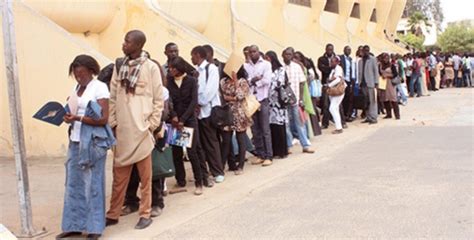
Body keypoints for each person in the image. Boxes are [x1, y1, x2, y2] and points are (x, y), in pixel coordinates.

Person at [106, 30, 163, 230]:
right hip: (122, 131)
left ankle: (145, 213)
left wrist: (152, 125)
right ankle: (113, 214)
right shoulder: (119, 66)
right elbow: (113, 97)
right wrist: (113, 123)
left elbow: (158, 99)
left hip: (142, 132)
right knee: (119, 178)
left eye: (127, 42)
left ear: (138, 45)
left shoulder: (151, 67)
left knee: (145, 179)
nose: (124, 44)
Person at [56, 55, 114, 240]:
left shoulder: (99, 87)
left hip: (94, 142)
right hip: (76, 139)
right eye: (75, 74)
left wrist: (78, 118)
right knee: (73, 183)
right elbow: (74, 110)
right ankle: (74, 224)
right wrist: (67, 116)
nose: (78, 77)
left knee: (93, 184)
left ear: (91, 70)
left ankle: (95, 228)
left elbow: (103, 119)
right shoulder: (77, 88)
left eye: (81, 73)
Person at [167, 56, 207, 195]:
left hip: (189, 120)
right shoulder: (169, 82)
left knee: (192, 151)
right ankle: (180, 180)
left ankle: (199, 181)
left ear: (180, 68)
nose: (171, 70)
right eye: (169, 68)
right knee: (176, 152)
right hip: (175, 120)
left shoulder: (191, 81)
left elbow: (193, 102)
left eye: (173, 68)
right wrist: (174, 116)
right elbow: (169, 100)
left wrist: (183, 119)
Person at [191, 46, 225, 182]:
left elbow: (210, 91)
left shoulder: (211, 69)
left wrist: (199, 102)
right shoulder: (196, 72)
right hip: (198, 112)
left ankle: (218, 171)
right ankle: (208, 170)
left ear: (198, 55)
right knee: (203, 144)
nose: (191, 58)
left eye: (192, 55)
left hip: (208, 111)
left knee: (211, 142)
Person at [243, 45, 273, 166]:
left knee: (265, 129)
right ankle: (260, 154)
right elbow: (246, 82)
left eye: (254, 51)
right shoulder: (246, 66)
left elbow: (267, 80)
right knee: (255, 130)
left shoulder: (266, 64)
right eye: (250, 52)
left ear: (258, 52)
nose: (252, 54)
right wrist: (253, 80)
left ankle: (268, 156)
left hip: (262, 99)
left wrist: (256, 81)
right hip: (251, 100)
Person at [282, 48, 315, 153]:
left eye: (289, 54)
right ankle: (288, 145)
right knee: (286, 124)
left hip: (296, 100)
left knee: (300, 123)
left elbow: (302, 83)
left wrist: (301, 98)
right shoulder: (281, 68)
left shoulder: (297, 67)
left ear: (292, 56)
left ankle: (305, 145)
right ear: (282, 55)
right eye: (286, 54)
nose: (288, 56)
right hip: (284, 101)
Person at [220, 66, 252, 175]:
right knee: (226, 140)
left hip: (239, 113)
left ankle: (241, 165)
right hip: (227, 113)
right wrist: (233, 98)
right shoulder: (223, 81)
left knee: (240, 139)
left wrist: (235, 81)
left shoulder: (242, 81)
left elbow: (240, 95)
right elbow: (222, 96)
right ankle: (223, 165)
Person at [265, 51, 289, 159]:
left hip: (278, 102)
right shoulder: (267, 69)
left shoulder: (280, 69)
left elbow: (280, 83)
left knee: (280, 126)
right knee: (272, 127)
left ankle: (282, 151)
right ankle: (274, 151)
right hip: (269, 103)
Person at [358, 45, 379, 124]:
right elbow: (359, 73)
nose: (366, 52)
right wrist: (359, 82)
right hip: (362, 84)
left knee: (372, 101)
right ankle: (368, 117)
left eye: (368, 50)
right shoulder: (360, 61)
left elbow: (376, 71)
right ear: (362, 51)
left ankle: (374, 117)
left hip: (371, 83)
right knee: (366, 101)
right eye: (365, 50)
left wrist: (376, 82)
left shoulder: (373, 59)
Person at [318, 43, 336, 129]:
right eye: (328, 49)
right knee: (325, 104)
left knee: (336, 104)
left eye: (331, 49)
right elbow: (322, 69)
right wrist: (331, 68)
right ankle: (325, 123)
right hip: (325, 84)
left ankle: (338, 121)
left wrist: (328, 68)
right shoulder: (321, 59)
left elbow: (338, 70)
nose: (330, 51)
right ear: (325, 49)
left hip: (335, 85)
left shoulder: (336, 58)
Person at [326, 56, 345, 134]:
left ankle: (339, 128)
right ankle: (339, 126)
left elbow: (338, 79)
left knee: (332, 108)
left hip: (338, 91)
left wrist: (329, 85)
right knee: (335, 109)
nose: (331, 63)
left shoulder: (338, 69)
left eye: (333, 61)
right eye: (331, 61)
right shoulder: (333, 70)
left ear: (337, 62)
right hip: (333, 92)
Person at [379, 53, 400, 120]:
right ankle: (389, 114)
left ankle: (397, 115)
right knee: (385, 99)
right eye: (384, 58)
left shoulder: (392, 65)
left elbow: (395, 74)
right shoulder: (380, 65)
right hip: (383, 83)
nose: (386, 60)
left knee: (393, 99)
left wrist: (388, 75)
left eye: (387, 58)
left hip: (390, 83)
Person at [339, 46, 356, 122]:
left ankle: (347, 115)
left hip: (349, 81)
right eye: (347, 50)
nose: (348, 51)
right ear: (344, 50)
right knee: (342, 98)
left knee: (348, 98)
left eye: (350, 50)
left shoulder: (351, 59)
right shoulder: (340, 58)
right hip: (343, 80)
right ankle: (342, 115)